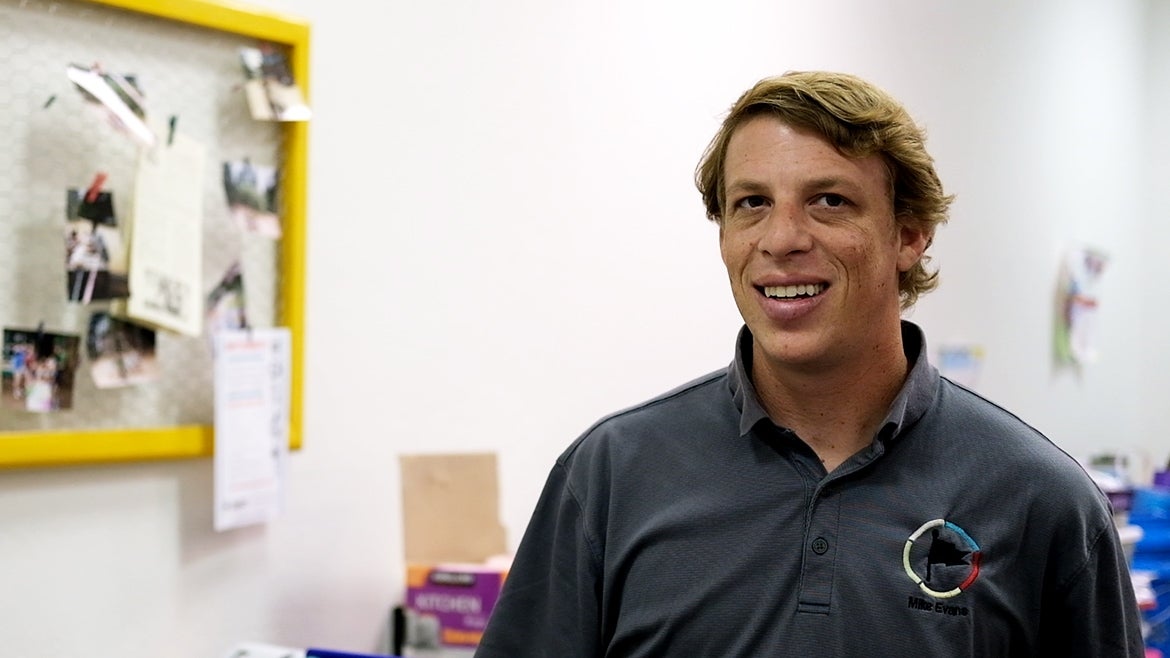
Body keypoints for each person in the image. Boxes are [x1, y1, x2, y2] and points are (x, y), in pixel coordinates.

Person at [474, 71, 1144, 656]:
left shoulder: (1043, 501)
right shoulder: (610, 476)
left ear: (908, 234)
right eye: (751, 204)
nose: (782, 239)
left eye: (830, 201)